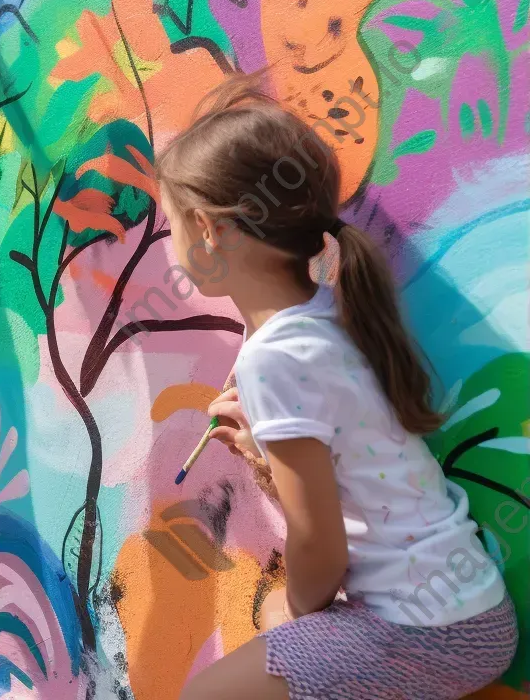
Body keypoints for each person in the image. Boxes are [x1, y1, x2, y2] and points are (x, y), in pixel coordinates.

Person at [156, 75, 517, 700]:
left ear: (208, 231)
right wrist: (262, 457)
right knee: (275, 617)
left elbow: (319, 546)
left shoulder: (274, 358)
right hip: (466, 610)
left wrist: (299, 608)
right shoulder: (327, 315)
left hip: (426, 630)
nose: (171, 248)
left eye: (170, 229)